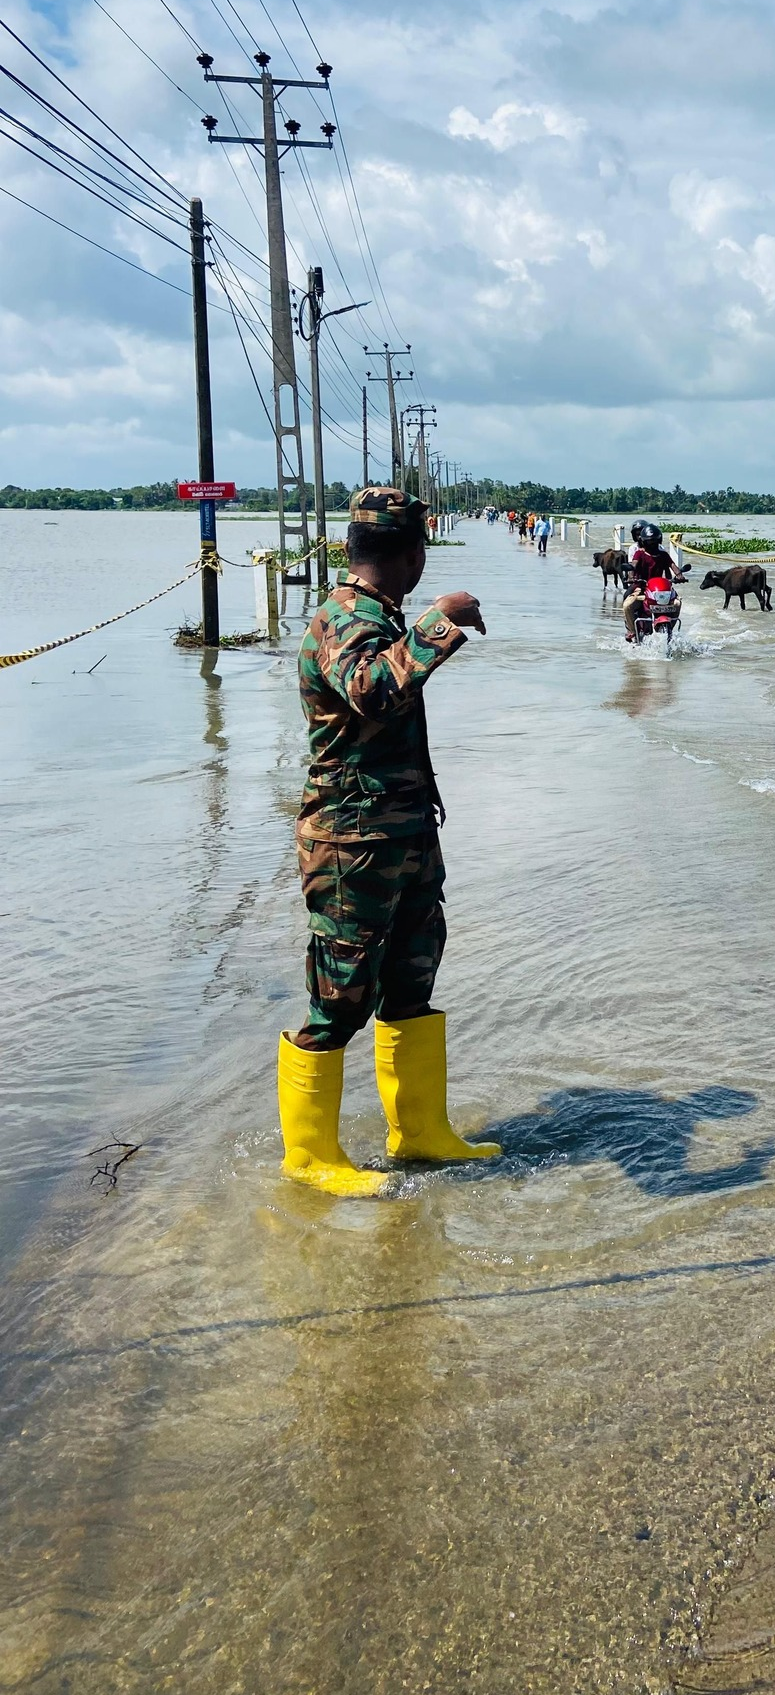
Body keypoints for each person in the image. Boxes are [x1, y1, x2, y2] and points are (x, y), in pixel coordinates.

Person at [278, 485, 498, 1197]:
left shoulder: (381, 614)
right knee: (339, 996)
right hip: (350, 844)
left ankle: (420, 1134)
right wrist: (439, 622)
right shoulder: (344, 618)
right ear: (413, 555)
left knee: (412, 980)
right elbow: (373, 688)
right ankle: (310, 1157)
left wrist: (420, 624)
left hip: (400, 834)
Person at [622, 519, 684, 641]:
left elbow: (673, 565)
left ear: (658, 541)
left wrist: (679, 575)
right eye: (649, 542)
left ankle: (670, 626)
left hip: (660, 588)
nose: (652, 544)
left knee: (677, 603)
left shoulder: (663, 554)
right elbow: (633, 565)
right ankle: (632, 630)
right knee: (627, 605)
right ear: (643, 542)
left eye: (654, 542)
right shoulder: (639, 554)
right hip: (642, 586)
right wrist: (631, 576)